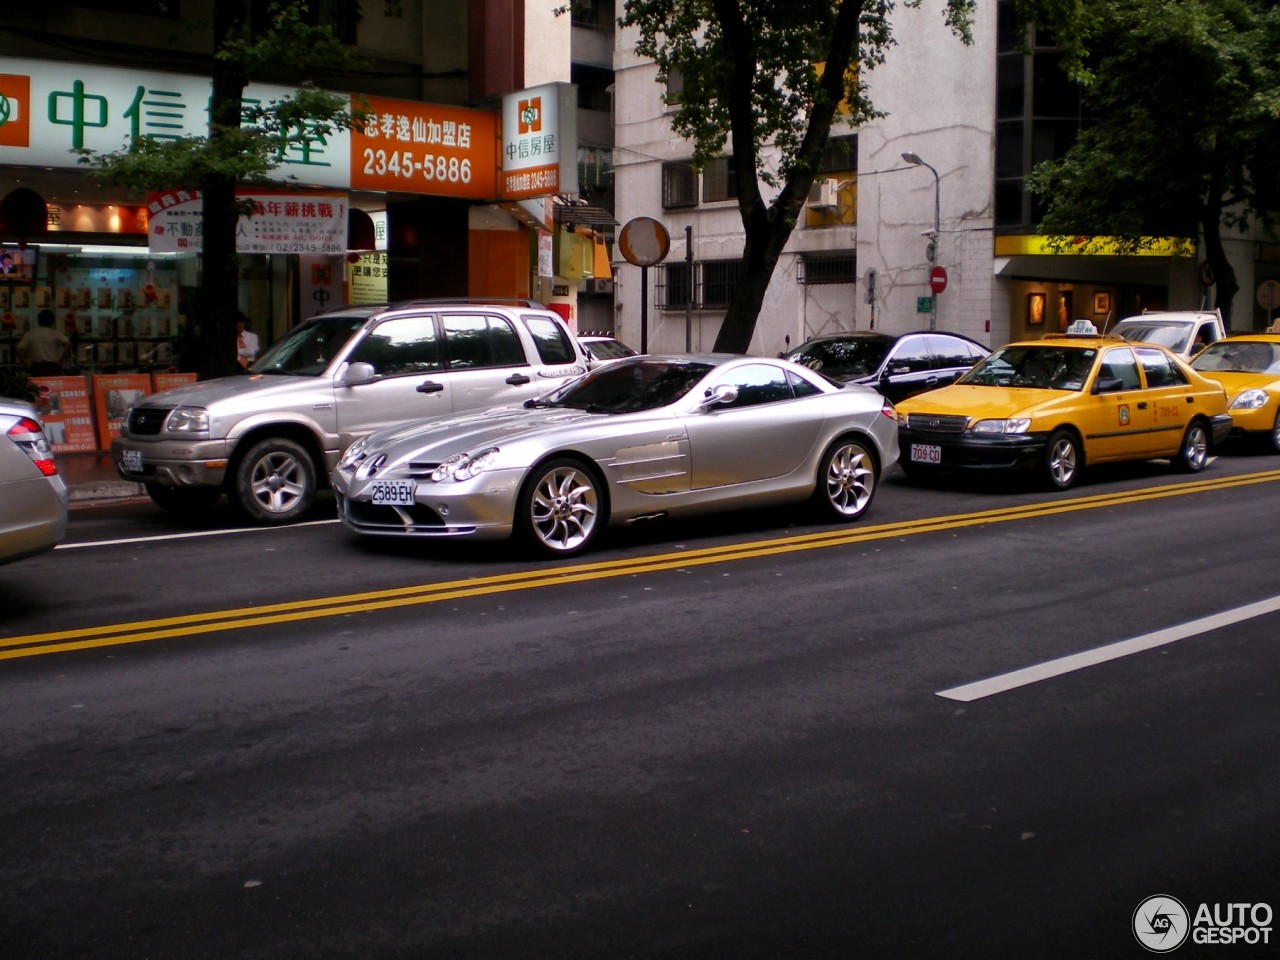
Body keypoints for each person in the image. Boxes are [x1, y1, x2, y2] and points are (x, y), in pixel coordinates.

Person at [17, 309, 71, 377]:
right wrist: (60, 360)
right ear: (52, 322)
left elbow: (18, 349)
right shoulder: (55, 333)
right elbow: (68, 344)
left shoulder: (31, 334)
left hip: (36, 367)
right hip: (52, 367)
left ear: (38, 321)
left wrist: (24, 363)